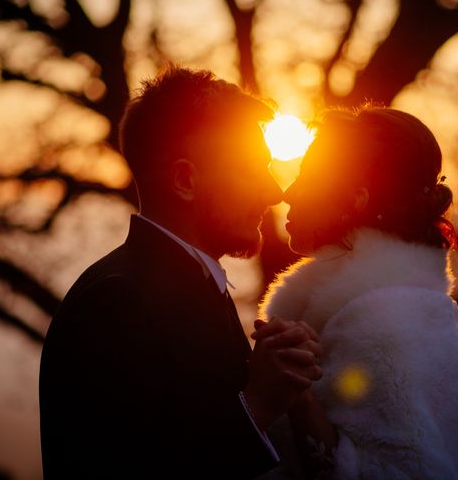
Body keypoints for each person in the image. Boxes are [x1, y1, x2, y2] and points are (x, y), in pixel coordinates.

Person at [38, 66, 324, 479]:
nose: (274, 191)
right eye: (251, 169)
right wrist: (258, 403)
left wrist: (289, 386)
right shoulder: (117, 302)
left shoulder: (192, 287)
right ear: (185, 180)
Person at [256, 107, 458, 479]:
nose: (288, 192)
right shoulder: (385, 304)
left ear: (357, 200)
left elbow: (402, 471)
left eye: (308, 177)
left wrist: (295, 394)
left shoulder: (386, 319)